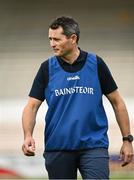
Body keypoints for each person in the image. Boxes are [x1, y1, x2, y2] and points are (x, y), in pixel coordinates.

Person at [22, 16, 133, 179]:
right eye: (50, 39)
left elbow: (118, 103)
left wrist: (127, 140)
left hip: (94, 146)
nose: (52, 44)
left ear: (73, 38)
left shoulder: (96, 64)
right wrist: (28, 135)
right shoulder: (46, 68)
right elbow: (31, 106)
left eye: (57, 39)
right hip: (58, 147)